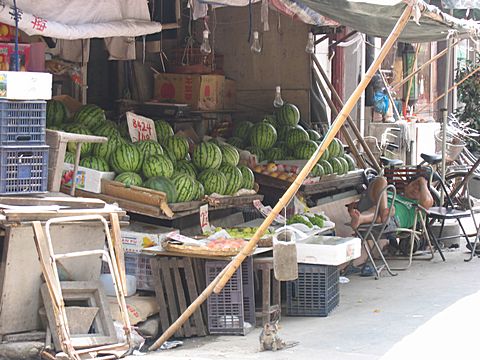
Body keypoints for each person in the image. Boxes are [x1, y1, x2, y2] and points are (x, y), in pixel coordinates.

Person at [348, 176, 434, 230]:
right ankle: (384, 213)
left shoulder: (418, 207)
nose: (415, 189)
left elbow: (427, 202)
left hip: (392, 221)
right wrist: (356, 205)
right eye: (413, 185)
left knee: (389, 209)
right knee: (381, 180)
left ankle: (361, 218)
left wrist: (422, 181)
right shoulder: (391, 194)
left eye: (419, 189)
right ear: (406, 186)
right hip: (378, 211)